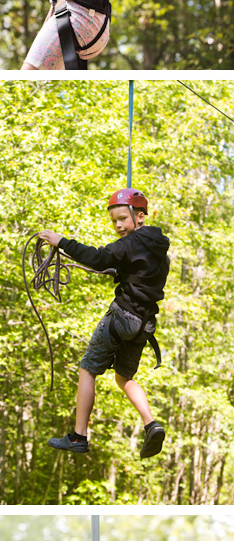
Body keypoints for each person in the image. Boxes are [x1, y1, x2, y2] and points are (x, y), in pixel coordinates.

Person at [37, 187, 169, 458]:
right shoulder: (158, 249)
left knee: (87, 369)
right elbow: (138, 271)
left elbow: (98, 257)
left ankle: (78, 436)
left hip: (123, 316)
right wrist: (119, 269)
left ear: (140, 216)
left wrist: (61, 241)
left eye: (123, 218)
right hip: (145, 324)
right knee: (124, 377)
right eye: (114, 221)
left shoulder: (131, 244)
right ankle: (150, 423)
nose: (118, 225)